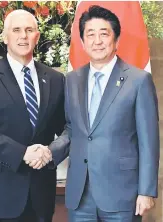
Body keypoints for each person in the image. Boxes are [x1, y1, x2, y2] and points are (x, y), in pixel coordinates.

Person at [48, 5, 160, 222]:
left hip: (121, 194)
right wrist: (49, 152)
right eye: (90, 34)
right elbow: (73, 130)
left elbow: (149, 141)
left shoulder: (138, 81)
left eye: (104, 34)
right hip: (80, 195)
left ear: (116, 40)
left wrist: (146, 190)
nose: (97, 41)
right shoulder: (72, 80)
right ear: (82, 42)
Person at [0, 9, 65, 222]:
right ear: (5, 37)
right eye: (16, 30)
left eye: (29, 30)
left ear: (37, 35)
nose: (23, 36)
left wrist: (50, 152)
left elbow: (67, 127)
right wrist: (21, 153)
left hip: (40, 199)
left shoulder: (55, 79)